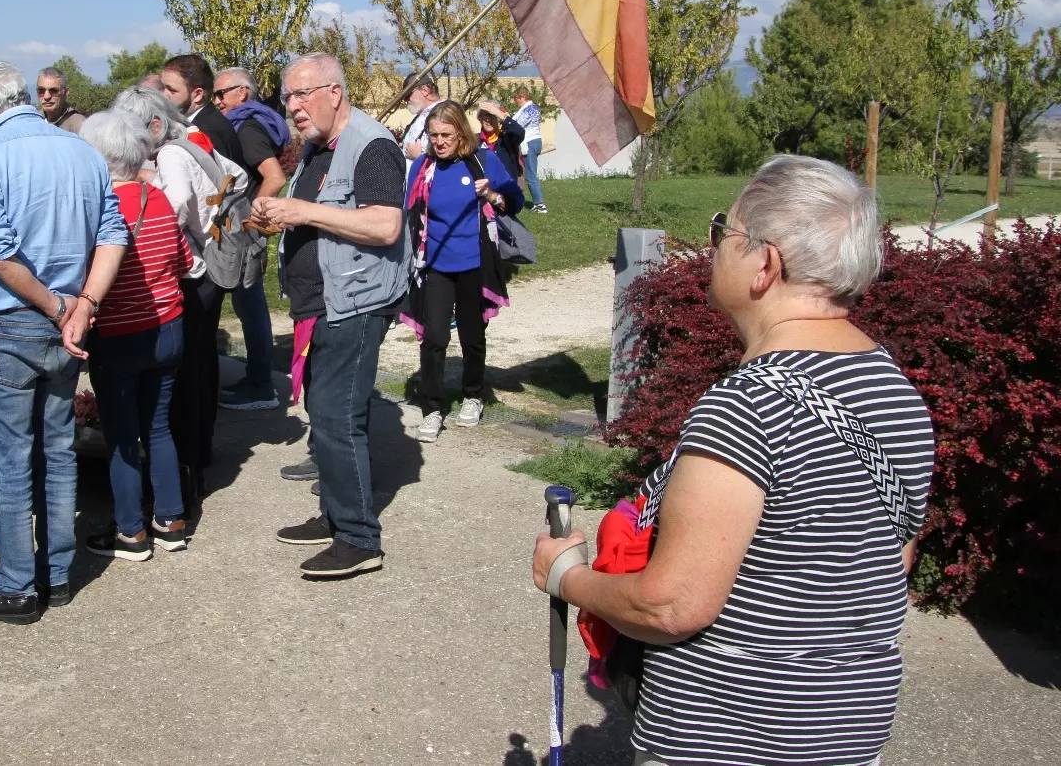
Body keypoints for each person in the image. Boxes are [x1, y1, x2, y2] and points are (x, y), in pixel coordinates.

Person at [531, 155, 935, 766]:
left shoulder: (747, 406)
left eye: (726, 231)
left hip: (730, 738)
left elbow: (671, 605)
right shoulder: (894, 391)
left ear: (765, 265)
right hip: (848, 731)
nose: (714, 245)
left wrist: (568, 577)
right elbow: (886, 566)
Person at [0, 63, 128, 624]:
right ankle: (56, 576)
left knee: (9, 464)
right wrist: (84, 306)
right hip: (66, 323)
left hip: (15, 321)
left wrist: (61, 307)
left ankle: (17, 587)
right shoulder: (80, 151)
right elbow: (112, 235)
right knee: (56, 454)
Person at [251, 53, 408, 580]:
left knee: (337, 415)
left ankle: (359, 538)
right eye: (287, 98)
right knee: (328, 414)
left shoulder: (374, 146)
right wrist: (280, 219)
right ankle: (337, 513)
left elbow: (385, 226)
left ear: (334, 91)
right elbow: (322, 218)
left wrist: (301, 212)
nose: (292, 107)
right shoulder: (318, 147)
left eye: (301, 95)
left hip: (356, 301)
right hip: (322, 304)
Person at [111, 85, 247, 509]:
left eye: (134, 133)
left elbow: (172, 207)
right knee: (201, 365)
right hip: (210, 265)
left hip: (191, 270)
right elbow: (237, 177)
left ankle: (186, 474)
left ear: (154, 125)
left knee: (184, 379)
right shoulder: (193, 141)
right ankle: (200, 455)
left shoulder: (169, 153)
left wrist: (145, 191)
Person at [78, 111, 194, 561]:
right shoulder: (158, 198)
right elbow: (183, 263)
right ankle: (170, 520)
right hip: (168, 327)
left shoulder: (97, 207)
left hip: (118, 335)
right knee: (158, 426)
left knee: (124, 435)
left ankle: (131, 531)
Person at [401, 101, 524, 442]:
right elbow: (407, 211)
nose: (439, 142)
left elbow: (515, 200)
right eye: (433, 135)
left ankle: (472, 395)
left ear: (461, 134)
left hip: (474, 264)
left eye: (446, 135)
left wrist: (493, 194)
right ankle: (433, 409)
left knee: (472, 337)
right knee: (434, 337)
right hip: (436, 266)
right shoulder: (423, 167)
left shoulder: (482, 160)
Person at [211, 66, 288, 412]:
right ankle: (257, 378)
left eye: (220, 94)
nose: (216, 101)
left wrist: (251, 219)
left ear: (242, 93)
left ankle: (260, 385)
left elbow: (274, 176)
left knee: (251, 305)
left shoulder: (248, 128)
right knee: (248, 305)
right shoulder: (250, 123)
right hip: (244, 232)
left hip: (244, 234)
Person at [161, 54, 243, 165]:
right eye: (163, 87)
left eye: (172, 90)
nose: (164, 95)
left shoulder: (207, 132)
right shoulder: (201, 122)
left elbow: (207, 180)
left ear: (198, 94)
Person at [511, 86, 547, 213]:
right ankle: (538, 203)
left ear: (522, 97)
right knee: (530, 173)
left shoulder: (528, 109)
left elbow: (518, 125)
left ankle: (540, 204)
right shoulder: (533, 108)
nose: (516, 102)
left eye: (516, 99)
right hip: (535, 141)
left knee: (531, 174)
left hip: (530, 142)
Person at [399, 73, 443, 173]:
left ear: (425, 90)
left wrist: (419, 157)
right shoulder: (420, 116)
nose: (406, 100)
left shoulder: (443, 114)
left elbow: (450, 157)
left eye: (408, 95)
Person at [475, 99, 524, 182]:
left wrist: (501, 115)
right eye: (484, 116)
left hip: (508, 189)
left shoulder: (506, 136)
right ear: (480, 119)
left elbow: (520, 132)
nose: (488, 120)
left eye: (491, 115)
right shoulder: (475, 141)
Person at [35, 66, 87, 133]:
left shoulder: (79, 124)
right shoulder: (34, 120)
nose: (46, 96)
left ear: (66, 92)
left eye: (53, 91)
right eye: (41, 91)